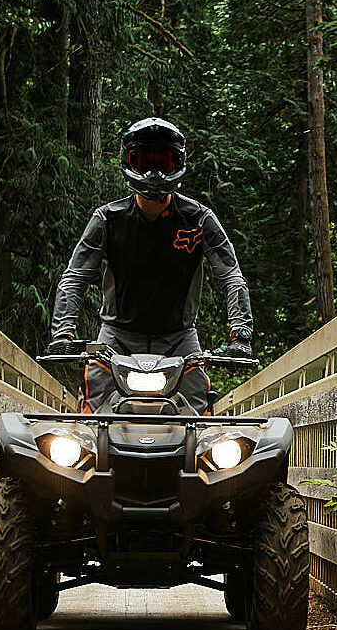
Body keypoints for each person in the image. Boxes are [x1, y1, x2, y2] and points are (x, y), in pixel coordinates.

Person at [47, 117, 254, 413]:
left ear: (177, 164)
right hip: (115, 338)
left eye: (163, 162)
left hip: (180, 338)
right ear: (129, 162)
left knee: (198, 409)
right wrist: (62, 335)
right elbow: (75, 277)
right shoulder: (108, 219)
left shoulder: (198, 219)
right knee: (92, 405)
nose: (154, 172)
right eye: (145, 161)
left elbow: (230, 276)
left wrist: (241, 335)